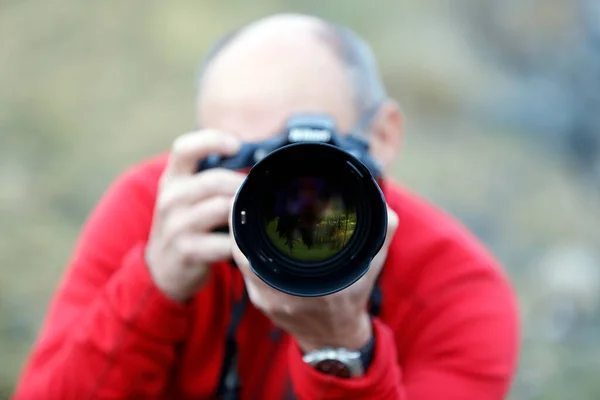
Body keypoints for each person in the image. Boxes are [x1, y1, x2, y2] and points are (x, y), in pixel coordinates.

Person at [13, 13, 520, 400]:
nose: (287, 196)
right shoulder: (157, 210)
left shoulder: (457, 289)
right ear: (206, 146)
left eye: (313, 160)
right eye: (245, 159)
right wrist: (153, 290)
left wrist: (341, 350)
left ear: (383, 136)